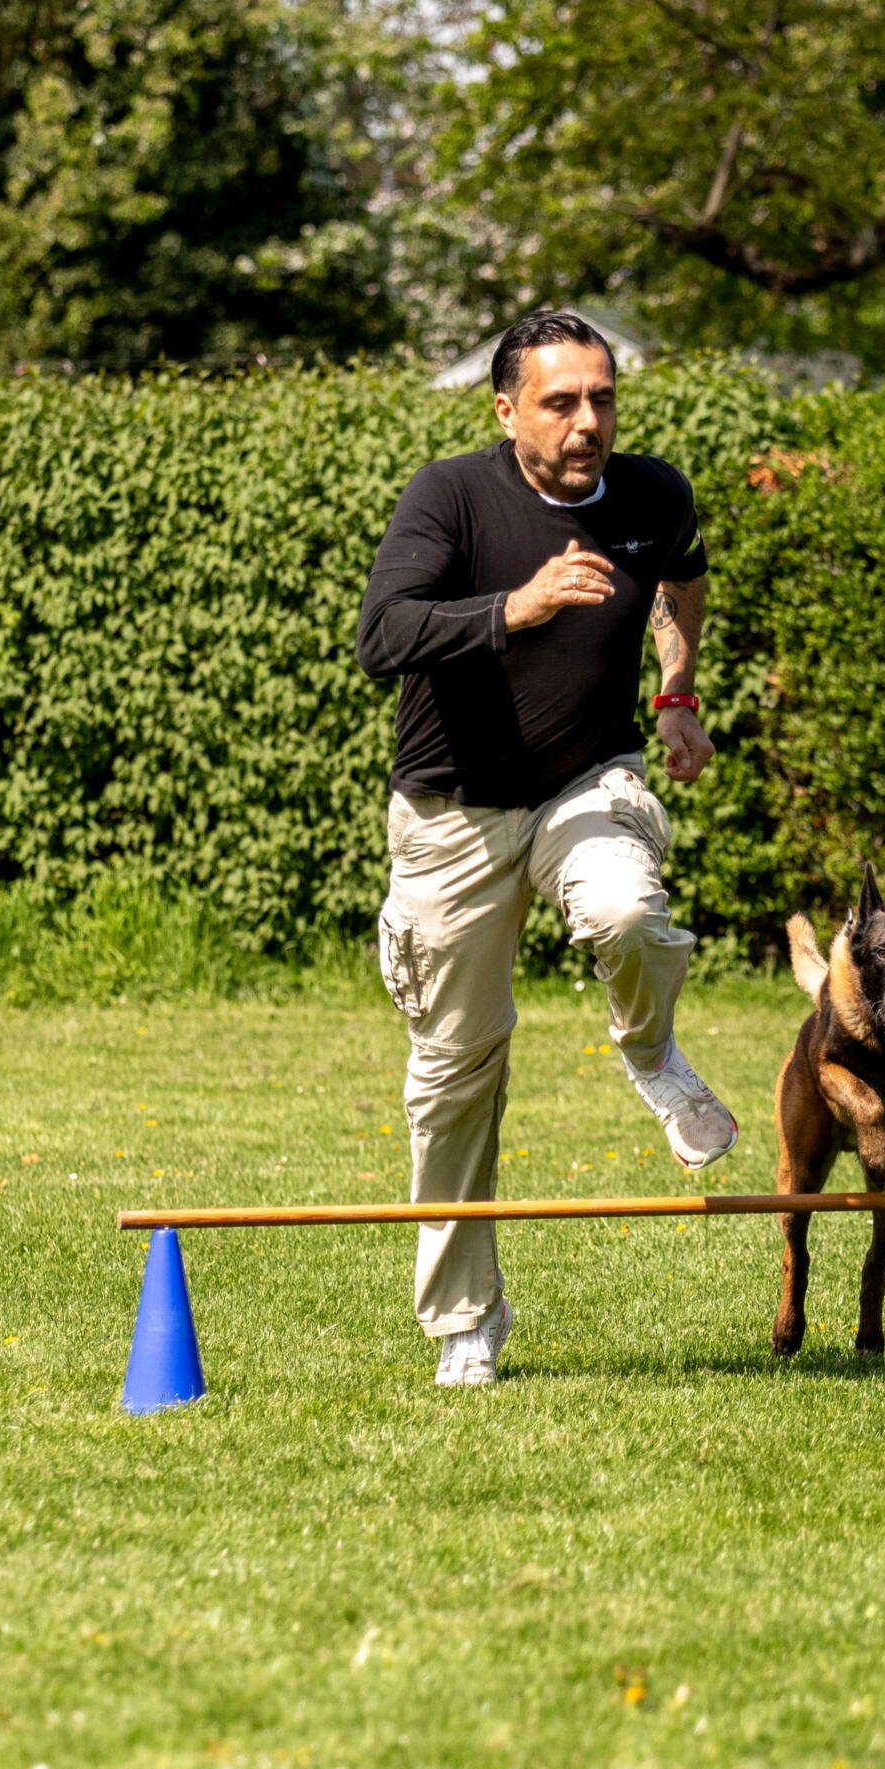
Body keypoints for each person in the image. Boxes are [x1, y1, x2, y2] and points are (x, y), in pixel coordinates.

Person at [355, 309, 736, 1387]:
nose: (587, 423)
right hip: (455, 813)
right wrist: (513, 609)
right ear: (507, 408)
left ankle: (652, 1055)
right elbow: (382, 634)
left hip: (587, 777)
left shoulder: (654, 495)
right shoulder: (451, 495)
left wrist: (675, 691)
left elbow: (685, 579)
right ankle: (465, 1321)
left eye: (602, 398)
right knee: (454, 1076)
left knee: (626, 909)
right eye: (561, 401)